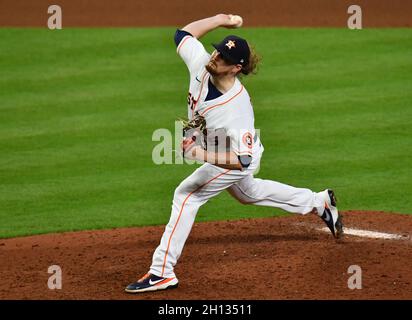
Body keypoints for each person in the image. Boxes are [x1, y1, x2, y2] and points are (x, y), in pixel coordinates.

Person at [125, 14, 343, 294]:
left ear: (236, 68)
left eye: (224, 57)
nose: (215, 57)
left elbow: (243, 161)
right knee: (247, 193)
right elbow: (182, 34)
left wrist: (201, 153)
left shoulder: (236, 109)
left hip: (232, 156)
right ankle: (319, 202)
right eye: (217, 50)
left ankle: (161, 271)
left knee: (186, 195)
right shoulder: (202, 64)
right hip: (223, 148)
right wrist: (220, 19)